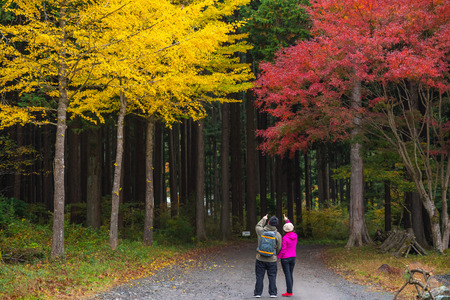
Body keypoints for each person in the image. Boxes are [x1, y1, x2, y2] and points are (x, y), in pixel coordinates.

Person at [254, 214, 282, 298]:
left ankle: (258, 293)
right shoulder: (278, 235)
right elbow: (279, 247)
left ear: (268, 222)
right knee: (272, 276)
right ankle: (273, 293)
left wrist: (263, 219)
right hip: (272, 260)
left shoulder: (261, 231)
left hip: (260, 258)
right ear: (276, 224)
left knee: (259, 276)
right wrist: (274, 255)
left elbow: (257, 226)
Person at [277, 214, 298, 297]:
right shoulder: (295, 236)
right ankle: (290, 290)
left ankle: (289, 292)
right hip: (293, 257)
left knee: (287, 275)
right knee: (290, 274)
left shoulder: (285, 238)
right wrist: (287, 220)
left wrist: (278, 256)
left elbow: (283, 249)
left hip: (285, 258)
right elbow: (290, 227)